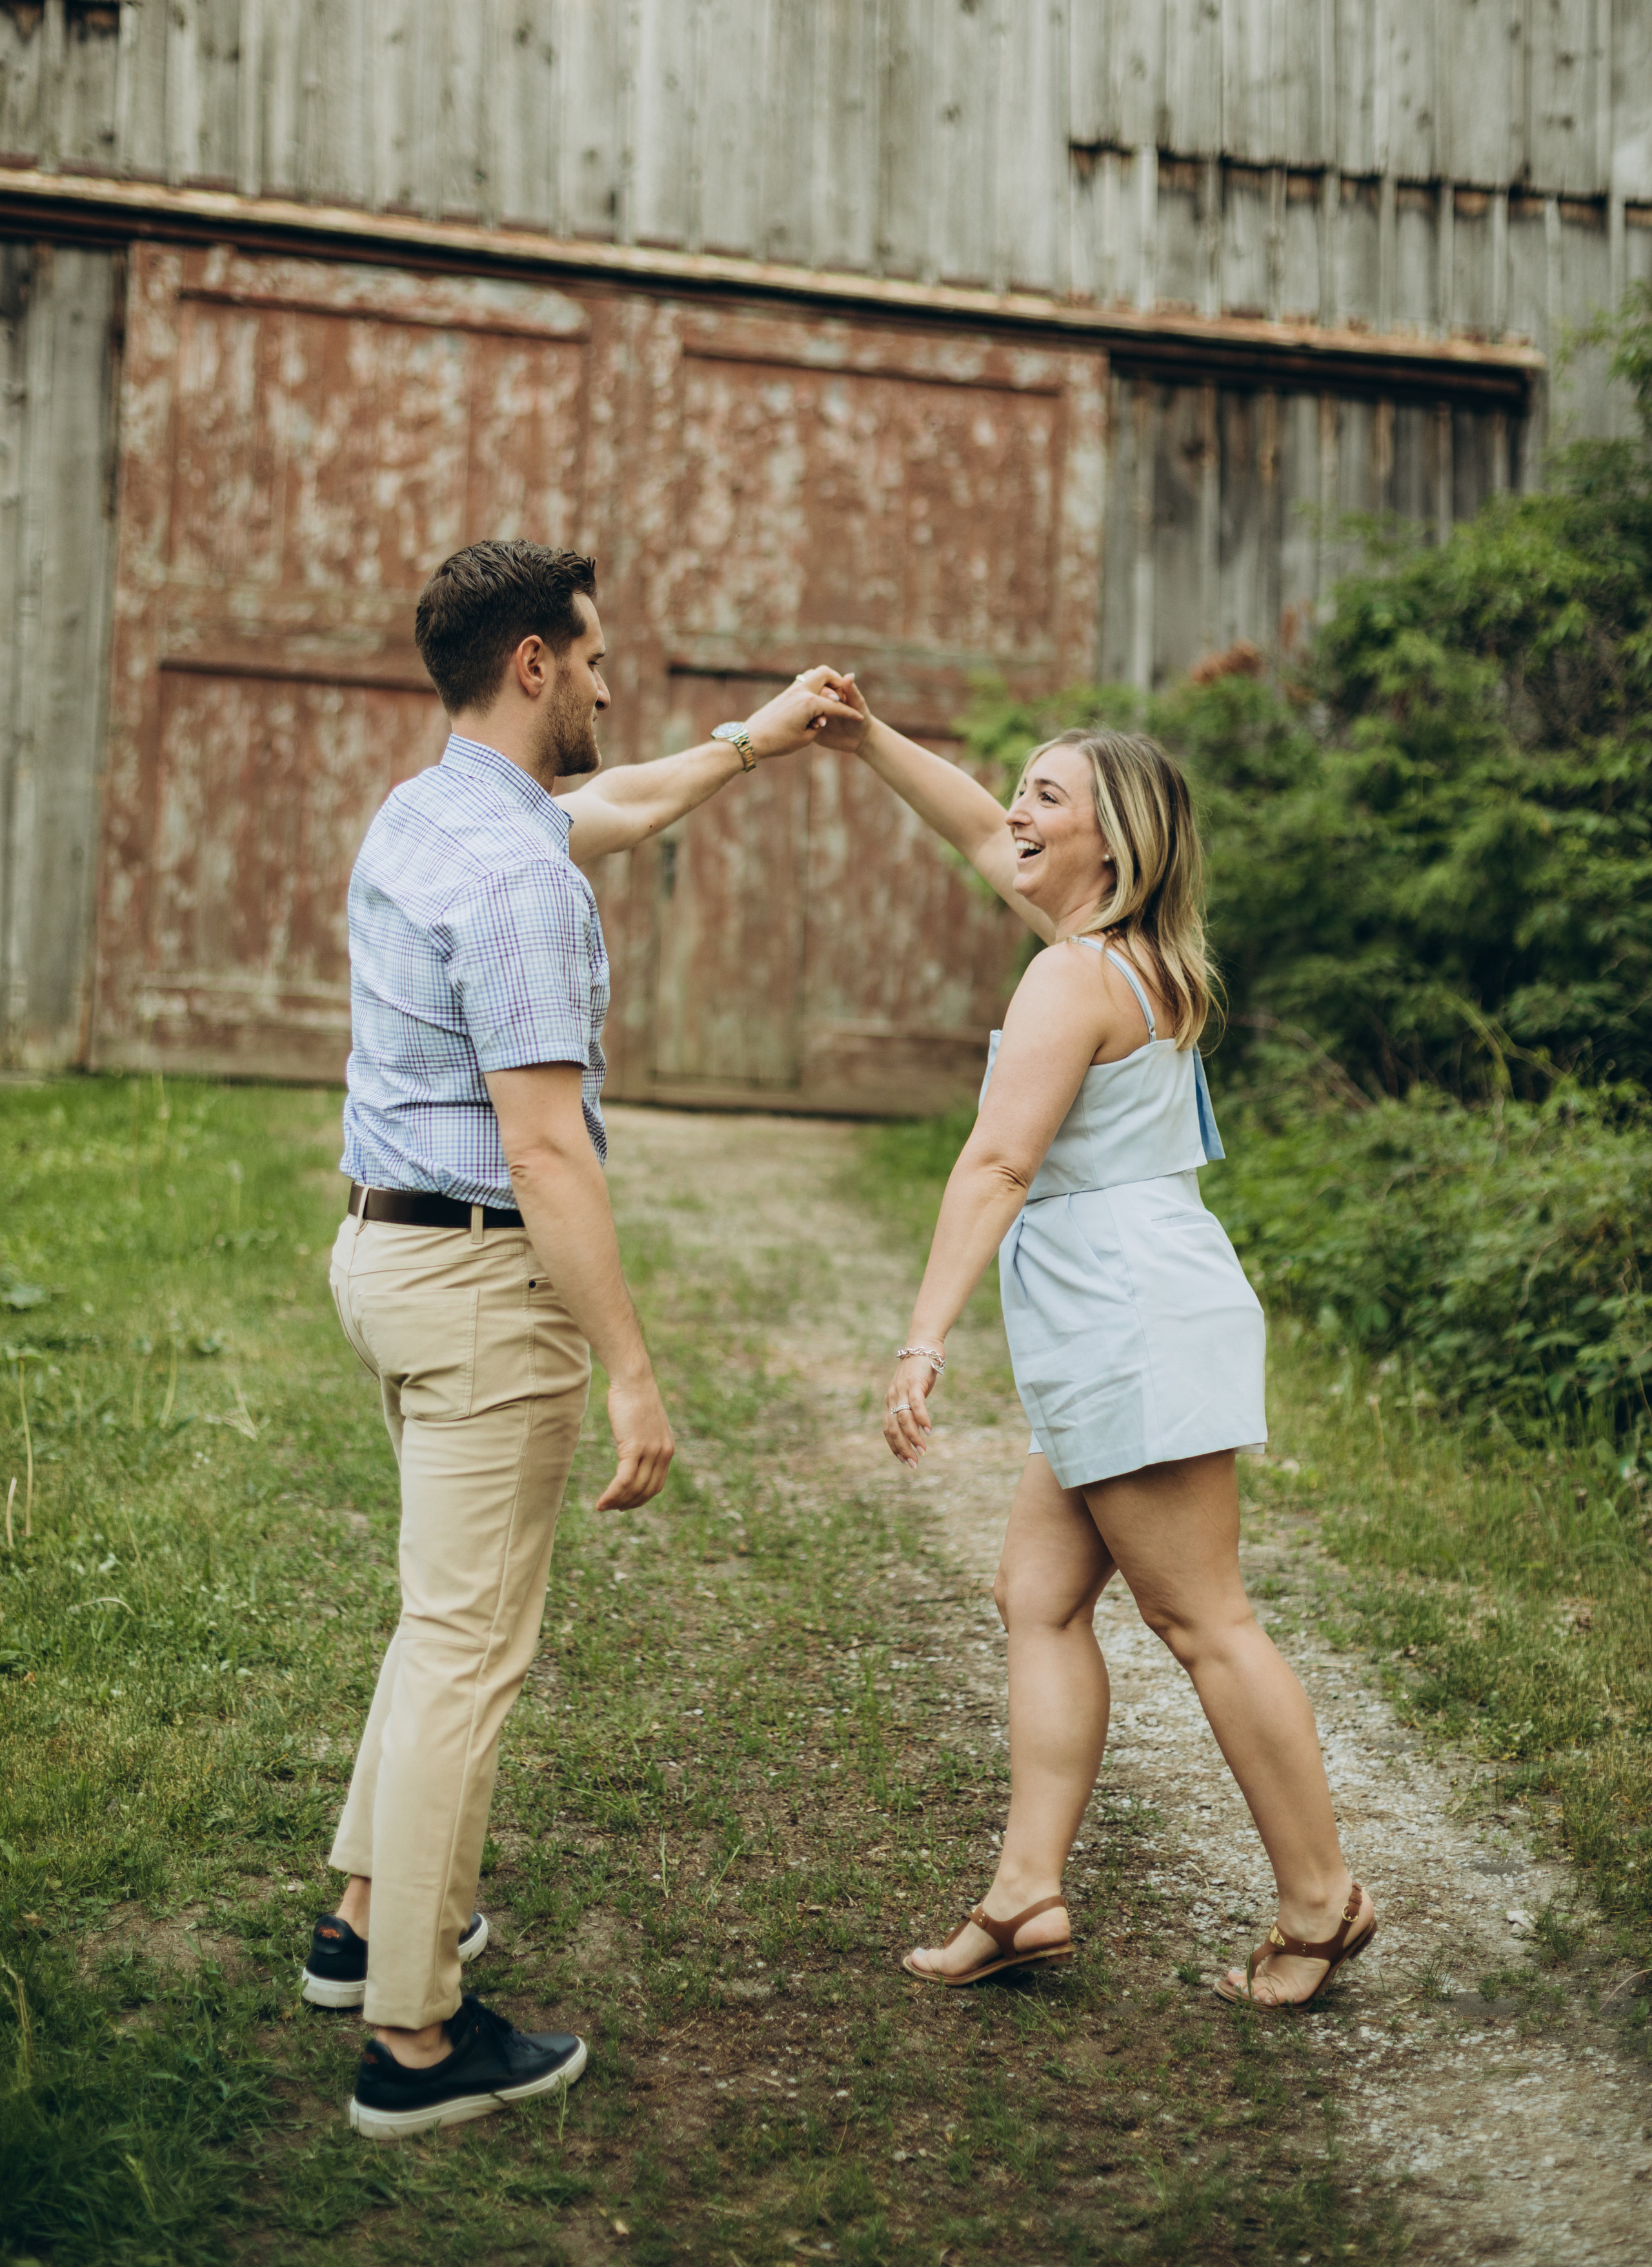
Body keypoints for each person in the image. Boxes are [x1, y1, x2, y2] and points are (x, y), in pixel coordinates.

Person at [309, 540, 847, 2137]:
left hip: (387, 1262)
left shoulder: (435, 810)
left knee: (435, 1625)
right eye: (597, 656)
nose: (617, 680)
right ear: (536, 662)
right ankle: (412, 2037)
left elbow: (611, 806)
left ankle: (360, 1924)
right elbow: (547, 1153)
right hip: (482, 1290)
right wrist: (629, 1361)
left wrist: (756, 737)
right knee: (472, 1654)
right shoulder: (522, 883)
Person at [814, 680, 1375, 2009]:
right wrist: (873, 737)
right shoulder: (1119, 953)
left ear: (1107, 845)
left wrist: (920, 1342)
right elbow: (973, 832)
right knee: (1039, 1596)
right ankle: (1024, 1893)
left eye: (1045, 797)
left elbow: (1000, 1159)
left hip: (1128, 1323)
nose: (1013, 808)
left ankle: (1320, 1903)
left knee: (1204, 1622)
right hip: (1119, 1318)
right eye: (1018, 786)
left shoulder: (1072, 976)